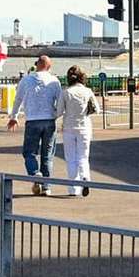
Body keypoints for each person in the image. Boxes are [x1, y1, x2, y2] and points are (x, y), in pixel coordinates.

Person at [6, 55, 63, 194]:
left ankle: (34, 173)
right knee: (47, 154)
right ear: (49, 67)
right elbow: (60, 102)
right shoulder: (54, 81)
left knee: (29, 153)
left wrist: (14, 117)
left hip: (32, 120)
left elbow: (18, 99)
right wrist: (56, 115)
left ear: (36, 64)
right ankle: (46, 187)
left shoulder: (26, 80)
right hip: (49, 120)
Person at [57, 65, 99, 197]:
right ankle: (85, 178)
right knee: (83, 157)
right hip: (85, 127)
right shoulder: (88, 91)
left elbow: (58, 111)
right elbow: (97, 109)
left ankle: (73, 189)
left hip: (69, 128)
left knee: (70, 158)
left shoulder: (66, 92)